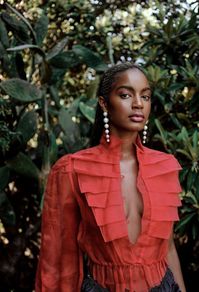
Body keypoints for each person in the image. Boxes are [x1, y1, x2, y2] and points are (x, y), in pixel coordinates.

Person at [35, 62, 186, 292]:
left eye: (145, 97)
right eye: (126, 95)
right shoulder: (72, 170)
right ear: (104, 104)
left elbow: (168, 248)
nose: (138, 104)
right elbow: (59, 257)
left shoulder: (164, 167)